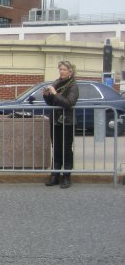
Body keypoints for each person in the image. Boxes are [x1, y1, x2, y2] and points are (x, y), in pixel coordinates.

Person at [43, 60, 79, 189]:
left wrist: (54, 93)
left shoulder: (73, 86)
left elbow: (68, 103)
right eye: (60, 69)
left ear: (70, 71)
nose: (61, 71)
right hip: (56, 120)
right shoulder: (57, 83)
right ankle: (55, 175)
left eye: (64, 69)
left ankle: (66, 177)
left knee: (66, 149)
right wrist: (46, 95)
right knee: (56, 148)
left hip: (67, 121)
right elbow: (51, 102)